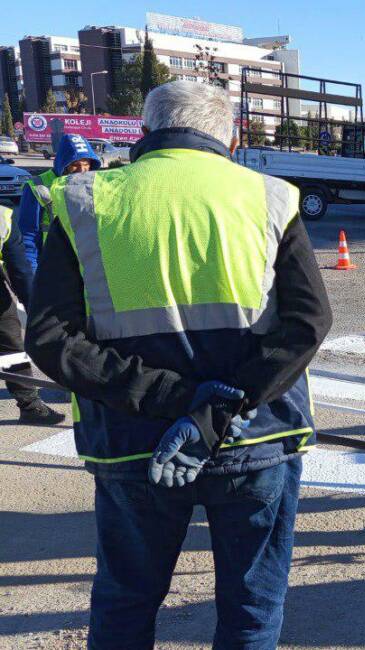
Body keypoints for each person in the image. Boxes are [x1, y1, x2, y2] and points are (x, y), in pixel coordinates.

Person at [26, 80, 333, 648]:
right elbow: (307, 324)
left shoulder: (86, 201)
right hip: (255, 442)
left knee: (126, 604)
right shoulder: (271, 197)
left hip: (130, 441)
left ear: (145, 132)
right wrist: (212, 412)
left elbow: (49, 338)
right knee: (250, 609)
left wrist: (175, 402)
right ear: (232, 137)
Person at [0, 204, 64, 423]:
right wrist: (34, 308)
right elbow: (20, 272)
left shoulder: (3, 217)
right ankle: (30, 405)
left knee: (11, 347)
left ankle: (30, 406)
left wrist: (34, 307)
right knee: (10, 345)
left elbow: (20, 271)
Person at [16, 134, 101, 274]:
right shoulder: (37, 187)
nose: (82, 170)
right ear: (63, 162)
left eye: (86, 163)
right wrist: (32, 272)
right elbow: (28, 234)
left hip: (85, 264)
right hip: (52, 264)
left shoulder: (93, 183)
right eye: (75, 164)